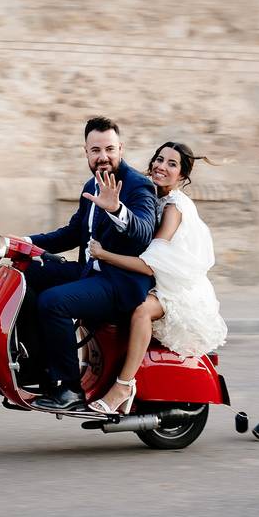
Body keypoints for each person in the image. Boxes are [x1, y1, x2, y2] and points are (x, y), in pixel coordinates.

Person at [22, 116, 157, 411]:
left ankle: (70, 390)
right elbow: (72, 233)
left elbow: (144, 230)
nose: (103, 157)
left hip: (120, 284)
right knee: (26, 272)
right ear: (86, 152)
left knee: (53, 302)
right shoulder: (91, 185)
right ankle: (39, 367)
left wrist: (117, 209)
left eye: (109, 149)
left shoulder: (138, 186)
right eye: (95, 150)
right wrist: (24, 243)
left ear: (121, 148)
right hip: (91, 272)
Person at [87, 141, 228, 414]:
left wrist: (104, 255)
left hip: (178, 290)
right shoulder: (148, 193)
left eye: (172, 164)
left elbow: (152, 263)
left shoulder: (174, 207)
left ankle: (123, 387)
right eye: (159, 159)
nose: (161, 166)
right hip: (160, 281)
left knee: (141, 312)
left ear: (182, 176)